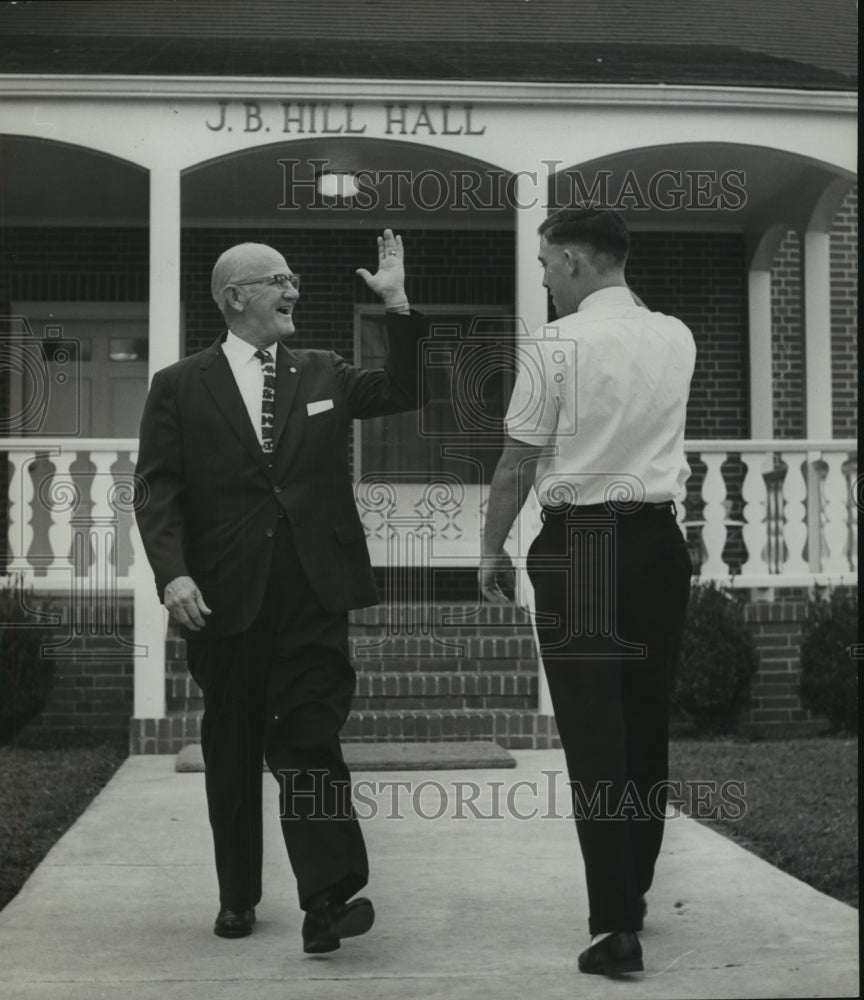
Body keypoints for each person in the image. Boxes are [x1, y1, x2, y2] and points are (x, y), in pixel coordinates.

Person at [135, 229, 425, 954]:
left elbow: (401, 389)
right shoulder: (178, 385)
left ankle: (328, 899)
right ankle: (238, 894)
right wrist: (172, 572)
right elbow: (157, 492)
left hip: (310, 593)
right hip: (223, 599)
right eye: (279, 280)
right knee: (231, 750)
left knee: (309, 738)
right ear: (236, 298)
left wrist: (397, 307)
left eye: (295, 279)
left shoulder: (323, 371)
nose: (294, 290)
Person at [478, 208, 695, 976]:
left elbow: (514, 464)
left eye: (544, 262)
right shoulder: (677, 336)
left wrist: (490, 547)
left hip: (583, 546)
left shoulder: (554, 346)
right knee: (644, 726)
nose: (540, 275)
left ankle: (614, 928)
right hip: (661, 543)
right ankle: (631, 890)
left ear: (574, 260)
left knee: (595, 738)